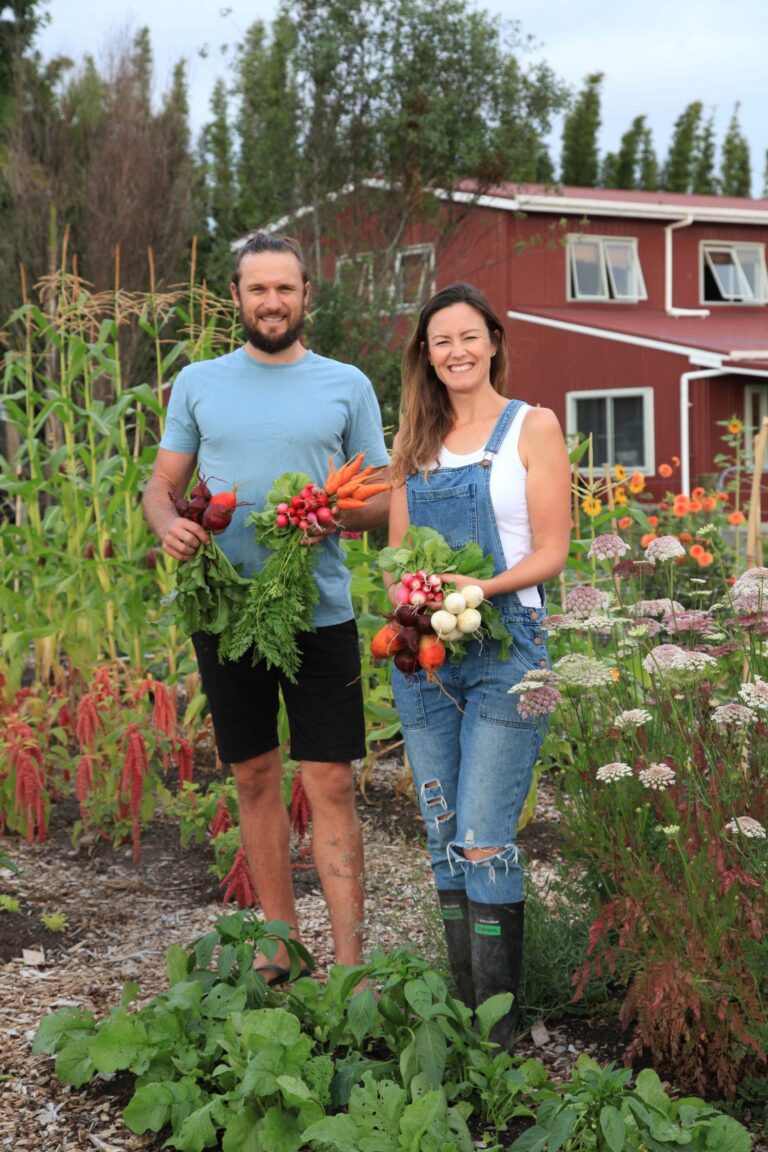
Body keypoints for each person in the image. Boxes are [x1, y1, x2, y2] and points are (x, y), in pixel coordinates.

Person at [143, 231, 390, 980]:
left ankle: (349, 962)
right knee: (252, 773)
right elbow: (161, 485)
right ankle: (280, 943)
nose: (273, 302)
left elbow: (379, 501)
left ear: (306, 295)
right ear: (238, 298)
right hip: (226, 612)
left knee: (333, 781)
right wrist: (170, 524)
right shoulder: (199, 383)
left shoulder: (346, 383)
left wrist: (335, 517)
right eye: (259, 289)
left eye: (286, 288)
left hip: (318, 610)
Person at [385, 282, 571, 1046]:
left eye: (469, 336)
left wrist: (477, 589)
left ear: (493, 340)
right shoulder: (415, 444)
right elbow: (399, 557)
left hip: (506, 649)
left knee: (485, 836)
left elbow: (553, 550)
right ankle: (467, 1026)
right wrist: (410, 599)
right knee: (443, 835)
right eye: (440, 341)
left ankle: (500, 1040)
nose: (456, 351)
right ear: (425, 357)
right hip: (428, 654)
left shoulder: (533, 426)